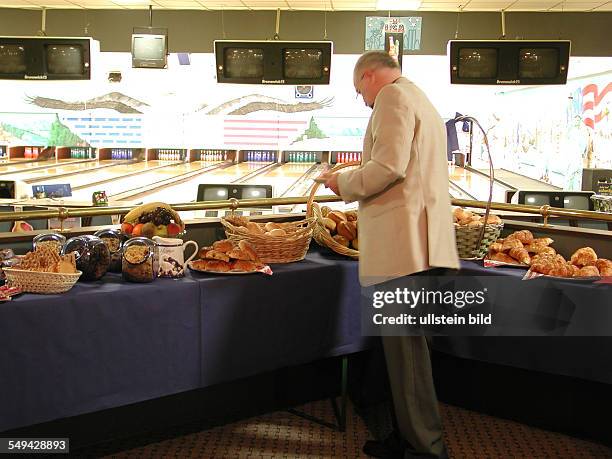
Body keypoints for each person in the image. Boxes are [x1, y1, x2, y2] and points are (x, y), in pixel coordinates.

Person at [319, 51, 460, 458]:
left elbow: (388, 167)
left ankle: (424, 449)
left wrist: (340, 180)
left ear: (368, 76)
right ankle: (411, 436)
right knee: (410, 356)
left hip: (406, 251)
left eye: (358, 90)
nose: (362, 99)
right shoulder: (420, 97)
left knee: (408, 357)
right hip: (425, 245)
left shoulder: (392, 98)